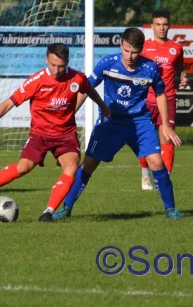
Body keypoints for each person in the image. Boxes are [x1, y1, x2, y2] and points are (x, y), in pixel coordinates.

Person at [0, 43, 112, 222]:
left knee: (71, 167)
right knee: (23, 168)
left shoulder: (77, 78)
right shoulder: (36, 81)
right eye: (52, 65)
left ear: (67, 62)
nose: (56, 70)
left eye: (60, 66)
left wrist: (103, 107)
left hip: (65, 135)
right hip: (39, 135)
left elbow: (89, 90)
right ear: (46, 59)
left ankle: (48, 212)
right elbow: (8, 103)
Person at [53, 27, 184, 220]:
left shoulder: (149, 68)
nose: (129, 56)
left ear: (141, 50)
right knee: (89, 163)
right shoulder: (108, 63)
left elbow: (160, 94)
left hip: (139, 122)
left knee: (156, 162)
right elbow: (85, 88)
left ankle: (171, 209)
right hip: (111, 122)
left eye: (134, 52)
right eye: (126, 50)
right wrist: (69, 113)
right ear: (121, 45)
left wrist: (165, 124)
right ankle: (66, 208)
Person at [138, 9, 188, 190]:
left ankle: (164, 181)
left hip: (168, 99)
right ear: (152, 26)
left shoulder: (176, 47)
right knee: (145, 141)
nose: (162, 28)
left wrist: (183, 76)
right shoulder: (143, 47)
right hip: (147, 99)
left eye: (165, 24)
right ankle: (145, 177)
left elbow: (180, 65)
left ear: (169, 26)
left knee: (167, 139)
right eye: (158, 25)